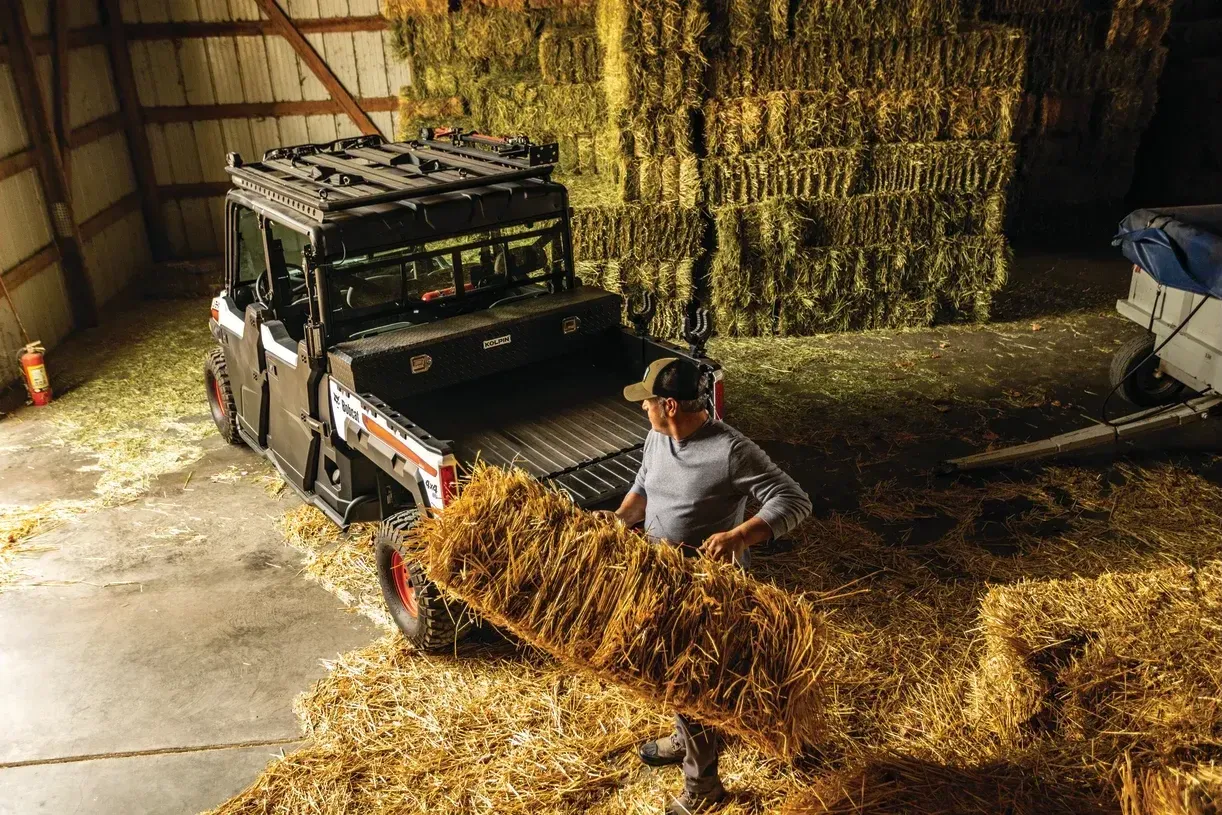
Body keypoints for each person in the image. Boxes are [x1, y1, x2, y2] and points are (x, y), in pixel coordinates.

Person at [610, 357, 812, 815]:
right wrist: (623, 518)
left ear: (670, 405)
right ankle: (685, 739)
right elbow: (645, 486)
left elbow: (795, 500)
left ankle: (703, 788)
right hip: (660, 577)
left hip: (707, 592)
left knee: (691, 682)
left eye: (648, 403)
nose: (643, 410)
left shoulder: (730, 450)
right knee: (667, 673)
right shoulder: (657, 438)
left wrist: (741, 535)